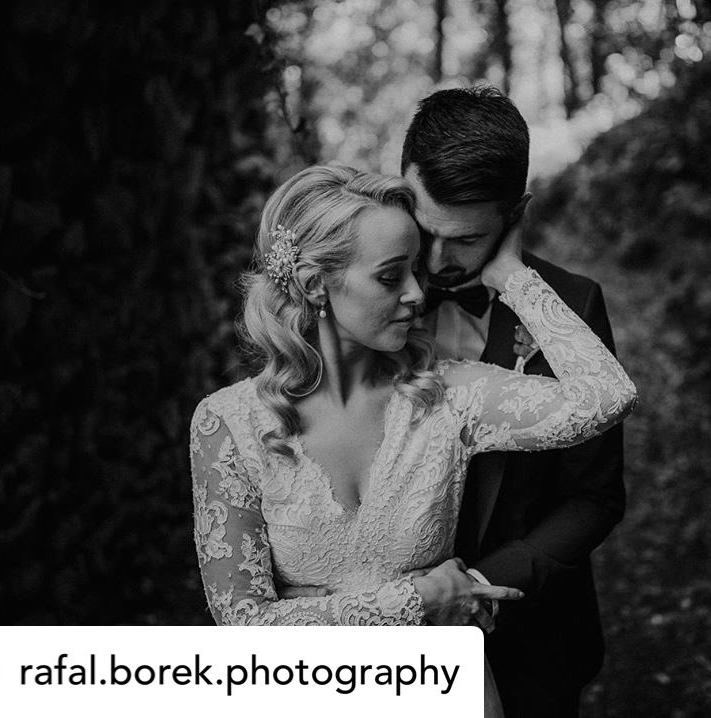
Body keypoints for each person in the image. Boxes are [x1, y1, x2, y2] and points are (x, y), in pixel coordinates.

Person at [190, 165, 636, 715]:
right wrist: (419, 599)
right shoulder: (227, 423)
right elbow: (243, 625)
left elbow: (609, 396)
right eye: (389, 276)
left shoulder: (448, 395)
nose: (416, 293)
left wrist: (512, 276)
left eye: (413, 271)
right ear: (313, 284)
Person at [401, 86, 626, 717]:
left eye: (468, 239)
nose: (438, 262)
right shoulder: (363, 295)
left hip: (531, 638)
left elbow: (597, 496)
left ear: (515, 211)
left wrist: (485, 587)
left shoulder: (573, 307)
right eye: (426, 230)